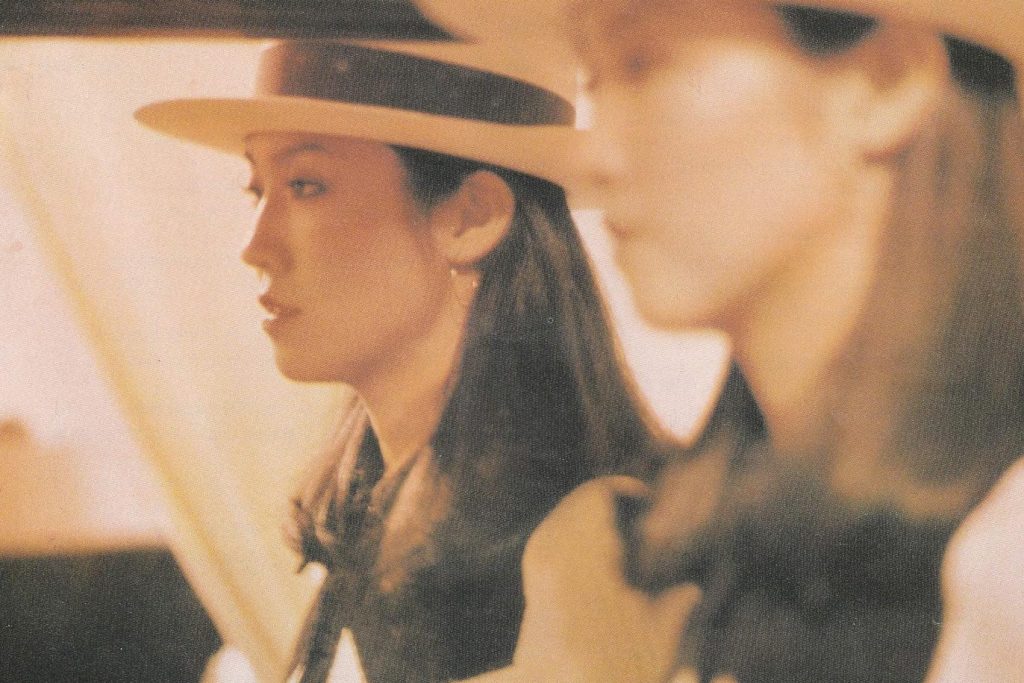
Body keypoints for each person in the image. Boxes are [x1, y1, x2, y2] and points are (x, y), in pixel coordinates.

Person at [416, 1, 1024, 681]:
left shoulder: (1006, 564)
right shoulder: (697, 563)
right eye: (596, 81)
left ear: (884, 82)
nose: (592, 160)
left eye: (644, 65)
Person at [136, 39, 666, 682]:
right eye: (257, 190)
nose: (255, 246)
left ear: (470, 217)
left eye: (305, 186)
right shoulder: (367, 523)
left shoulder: (590, 546)